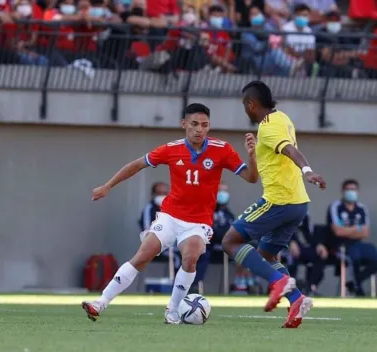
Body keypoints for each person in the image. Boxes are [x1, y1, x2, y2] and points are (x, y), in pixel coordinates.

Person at [82, 103, 259, 324]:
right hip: (170, 216)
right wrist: (108, 186)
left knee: (191, 256)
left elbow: (252, 178)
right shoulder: (170, 149)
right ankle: (100, 302)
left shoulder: (222, 149)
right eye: (194, 124)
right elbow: (137, 165)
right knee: (143, 255)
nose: (199, 130)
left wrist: (252, 155)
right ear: (184, 124)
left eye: (204, 125)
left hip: (198, 222)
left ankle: (173, 310)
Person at [221, 80, 326, 329]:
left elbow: (288, 150)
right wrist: (254, 153)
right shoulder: (282, 119)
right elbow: (276, 157)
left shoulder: (267, 128)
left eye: (244, 106)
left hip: (278, 201)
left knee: (230, 242)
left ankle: (279, 282)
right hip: (299, 204)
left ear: (251, 104)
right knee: (266, 255)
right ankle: (296, 300)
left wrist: (308, 170)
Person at [327, 179, 377, 296]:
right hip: (341, 245)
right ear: (343, 191)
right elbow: (338, 232)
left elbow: (365, 233)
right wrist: (355, 229)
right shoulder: (336, 207)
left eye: (353, 190)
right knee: (355, 256)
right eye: (348, 189)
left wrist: (347, 230)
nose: (351, 192)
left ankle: (355, 282)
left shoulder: (362, 209)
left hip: (358, 244)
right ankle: (357, 289)